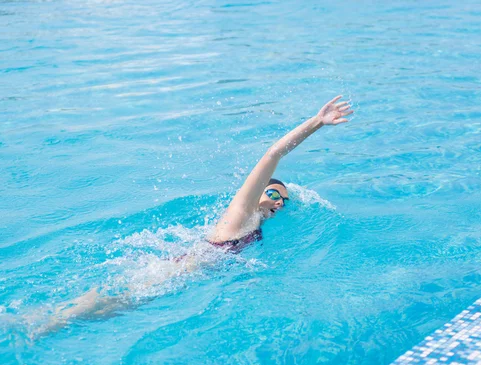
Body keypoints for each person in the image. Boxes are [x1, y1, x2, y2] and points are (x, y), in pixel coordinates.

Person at [31, 96, 353, 336]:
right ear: (257, 193)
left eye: (283, 199)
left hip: (192, 268)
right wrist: (316, 122)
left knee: (121, 302)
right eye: (272, 193)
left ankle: (50, 318)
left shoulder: (253, 221)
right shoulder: (242, 210)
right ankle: (45, 322)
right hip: (186, 269)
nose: (278, 202)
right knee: (121, 301)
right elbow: (273, 153)